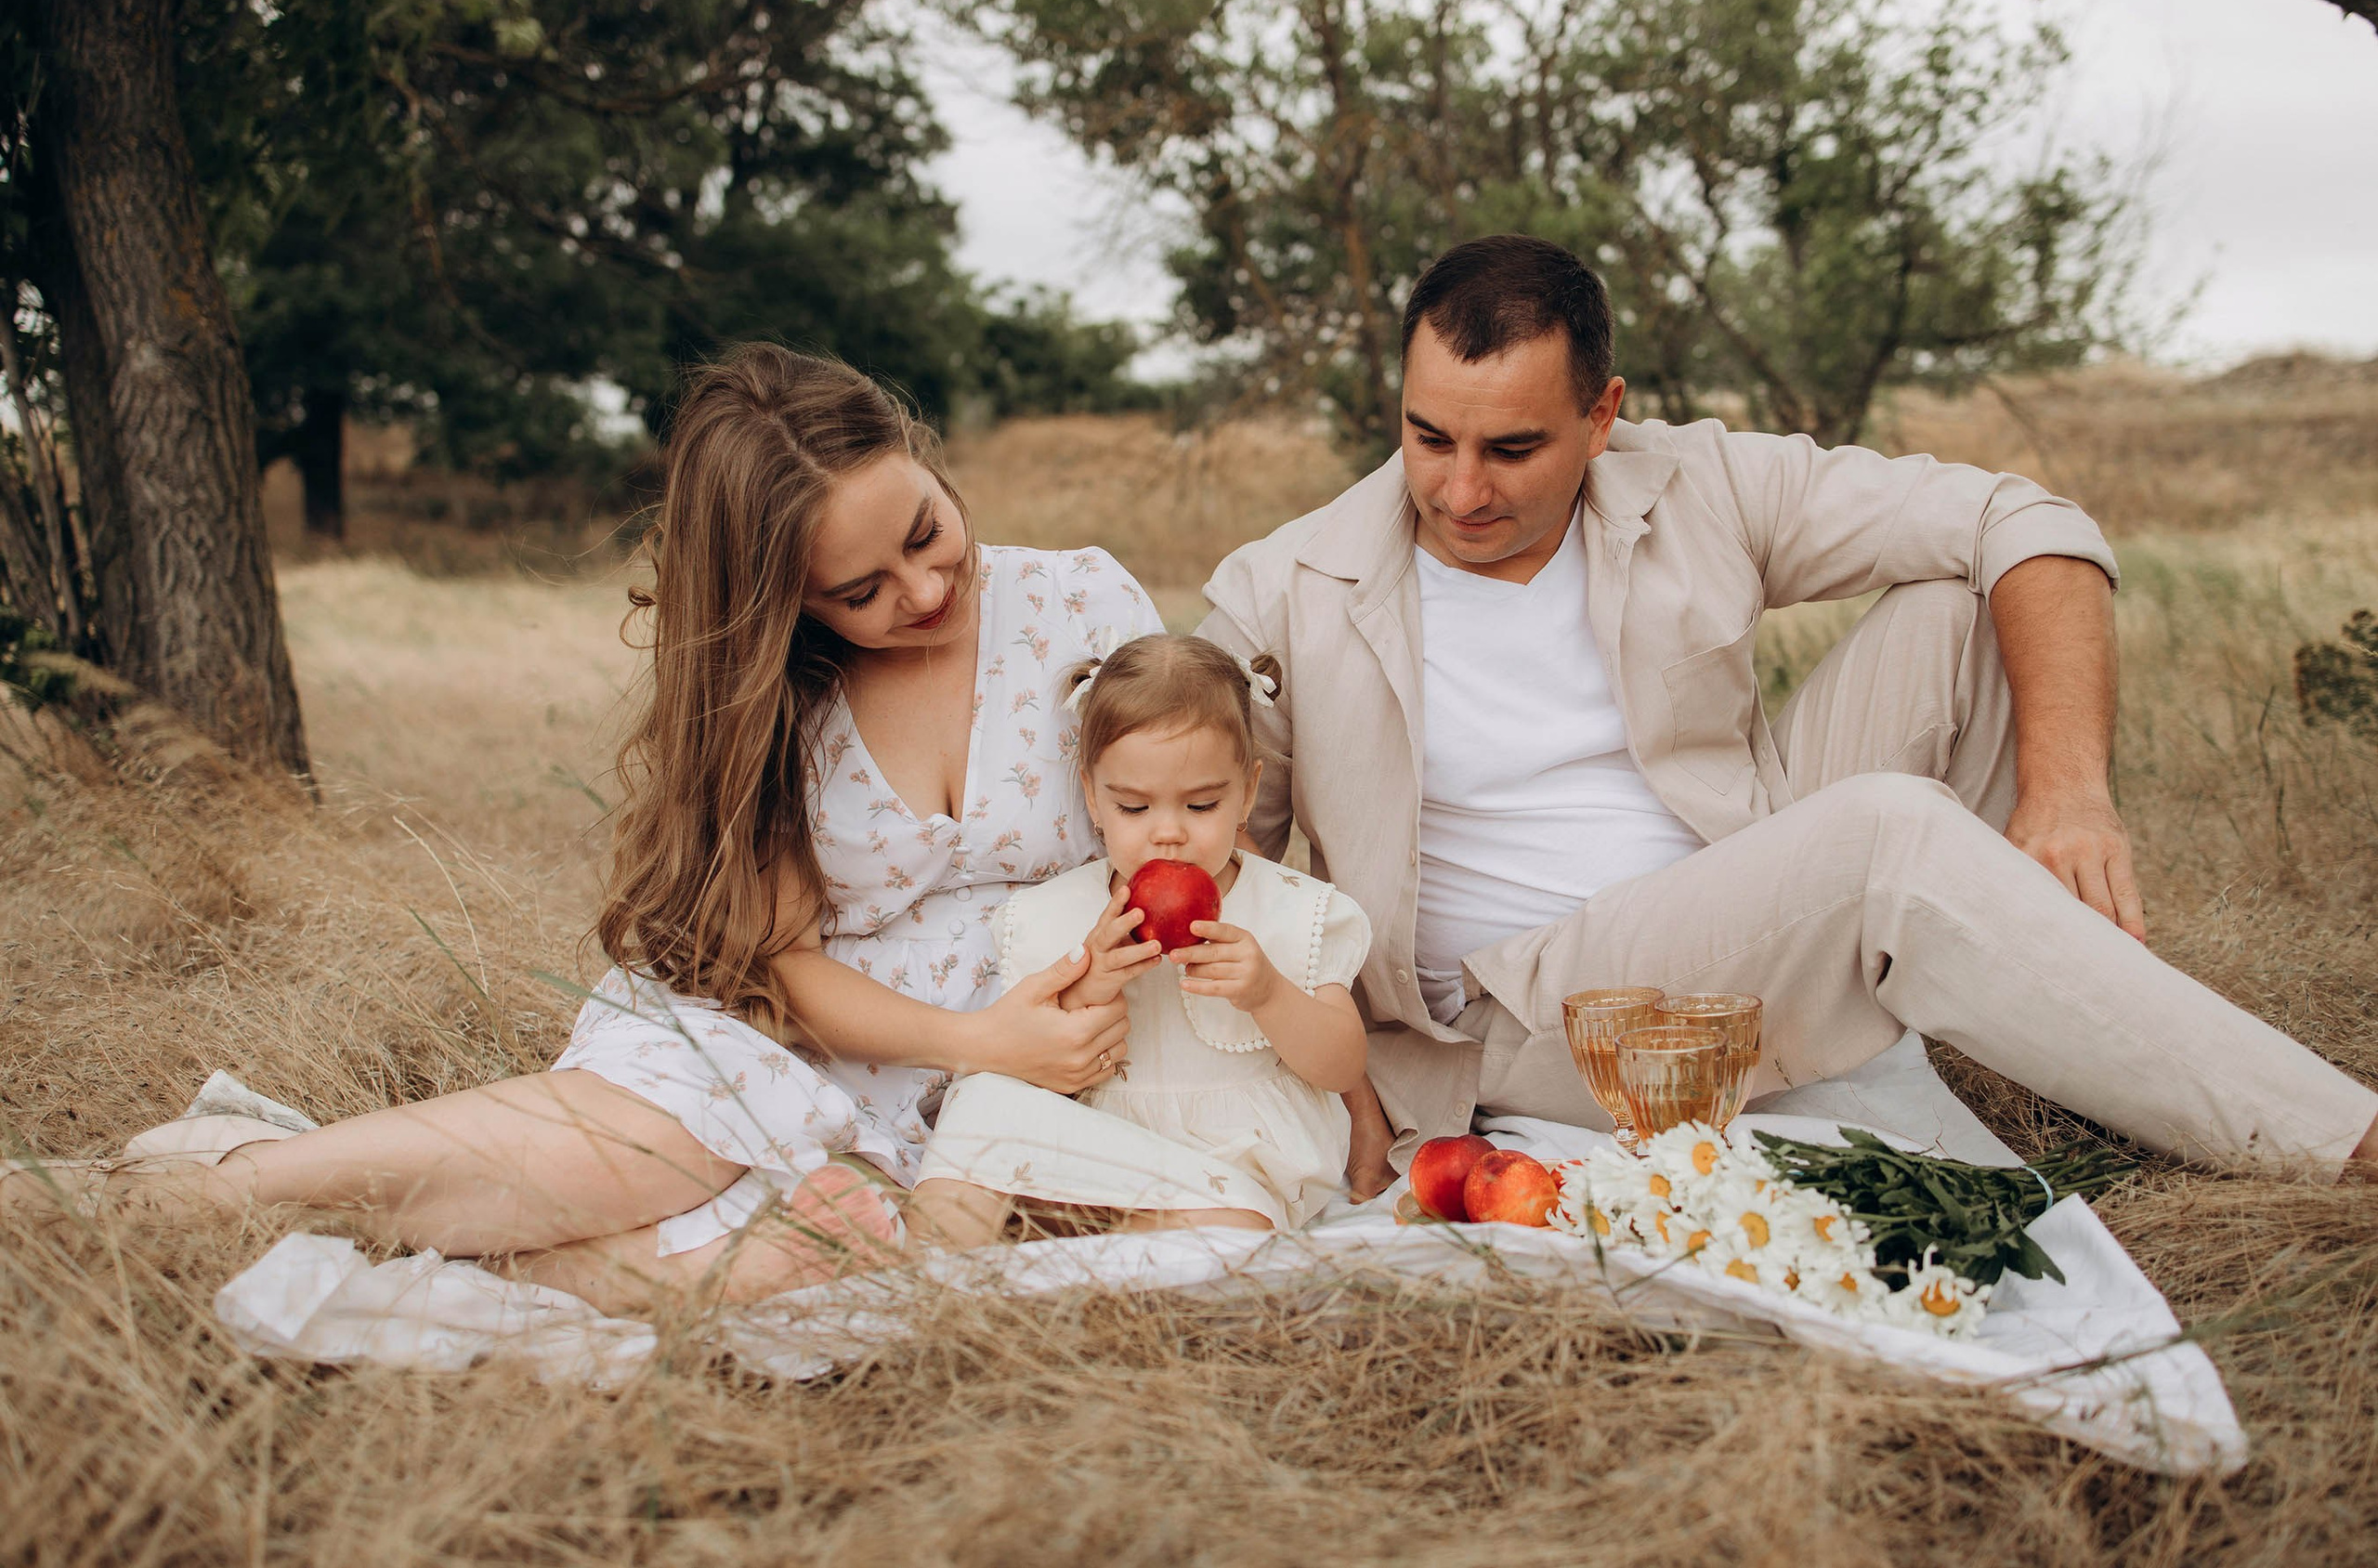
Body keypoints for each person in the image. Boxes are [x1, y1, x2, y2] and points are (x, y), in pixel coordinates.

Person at [1194, 234, 2378, 1197]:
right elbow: (1202, 850)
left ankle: (1999, 991)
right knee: (1884, 836)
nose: (1460, 491)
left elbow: (2028, 521)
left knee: (1959, 603)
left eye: (1511, 448)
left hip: (1739, 899)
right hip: (1522, 1020)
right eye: (1426, 436)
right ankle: (2342, 1140)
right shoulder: (1284, 588)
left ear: (1603, 415)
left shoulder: (1692, 482)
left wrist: (2070, 791)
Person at [2, 345, 1170, 1312]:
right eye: (858, 592)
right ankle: (203, 1194)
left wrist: (1038, 1047)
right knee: (644, 1150)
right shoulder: (783, 696)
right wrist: (975, 1041)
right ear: (786, 603)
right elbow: (783, 965)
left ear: (919, 456)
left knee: (803, 1264)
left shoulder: (1086, 604)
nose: (920, 593)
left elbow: (1186, 823)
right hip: (797, 1030)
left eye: (924, 533)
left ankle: (461, 1252)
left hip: (1018, 1072)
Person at [908, 634, 1373, 1243]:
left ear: (1248, 793)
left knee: (1235, 1226)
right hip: (1084, 1162)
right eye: (1132, 808)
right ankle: (943, 1273)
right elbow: (1029, 1063)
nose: (1167, 835)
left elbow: (1342, 1064)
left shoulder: (1291, 912)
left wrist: (1269, 993)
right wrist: (1087, 988)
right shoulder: (1057, 916)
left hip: (1223, 1175)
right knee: (976, 1116)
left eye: (1202, 805)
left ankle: (1069, 1266)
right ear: (1093, 798)